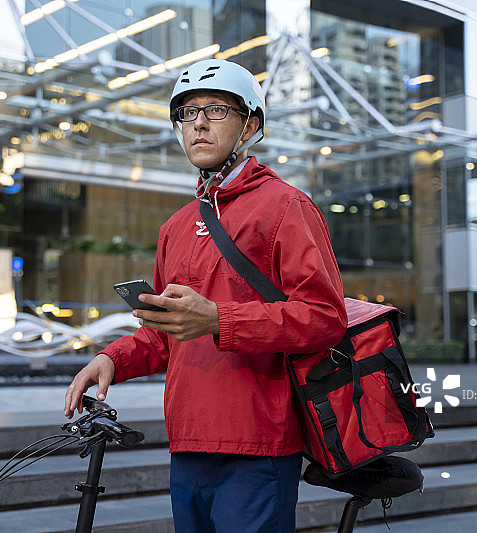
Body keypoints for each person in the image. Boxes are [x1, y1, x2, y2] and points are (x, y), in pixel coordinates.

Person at [65, 59, 347, 532]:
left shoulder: (286, 207)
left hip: (258, 445)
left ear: (249, 126)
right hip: (188, 441)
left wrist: (219, 320)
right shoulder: (175, 227)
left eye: (215, 110)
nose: (197, 123)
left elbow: (324, 318)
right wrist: (113, 358)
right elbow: (165, 334)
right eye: (187, 113)